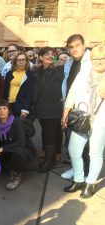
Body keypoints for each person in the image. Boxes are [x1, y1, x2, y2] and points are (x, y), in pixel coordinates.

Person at [61, 45, 105, 198]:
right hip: (82, 117)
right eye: (95, 58)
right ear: (91, 59)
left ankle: (90, 183)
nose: (98, 61)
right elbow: (71, 94)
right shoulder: (84, 73)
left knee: (95, 153)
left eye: (102, 58)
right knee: (74, 149)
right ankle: (79, 179)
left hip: (101, 119)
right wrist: (65, 113)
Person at [60, 34, 92, 180]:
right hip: (70, 106)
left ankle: (86, 173)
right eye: (71, 47)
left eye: (77, 45)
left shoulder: (92, 60)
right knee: (71, 142)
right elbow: (67, 83)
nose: (74, 49)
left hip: (87, 108)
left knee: (86, 145)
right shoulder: (69, 63)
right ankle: (75, 169)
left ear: (84, 45)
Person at [33, 47, 64, 173]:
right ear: (40, 57)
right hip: (41, 108)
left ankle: (49, 161)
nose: (50, 56)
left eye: (52, 54)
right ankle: (52, 155)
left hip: (55, 106)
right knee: (50, 132)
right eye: (46, 54)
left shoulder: (60, 69)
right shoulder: (36, 71)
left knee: (49, 133)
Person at [0, 100, 32, 190]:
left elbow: (22, 142)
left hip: (22, 149)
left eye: (4, 108)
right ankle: (10, 166)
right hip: (8, 149)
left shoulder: (16, 122)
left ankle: (16, 175)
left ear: (8, 110)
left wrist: (2, 148)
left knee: (17, 153)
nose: (2, 111)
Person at [4, 52, 34, 118]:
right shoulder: (9, 74)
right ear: (15, 61)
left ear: (26, 61)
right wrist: (4, 105)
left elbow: (30, 93)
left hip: (21, 106)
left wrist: (25, 109)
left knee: (20, 127)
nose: (21, 62)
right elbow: (5, 91)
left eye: (23, 60)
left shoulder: (30, 74)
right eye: (19, 60)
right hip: (9, 105)